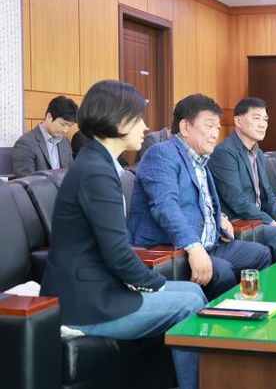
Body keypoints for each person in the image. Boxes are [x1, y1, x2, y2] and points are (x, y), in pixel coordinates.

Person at [39, 80, 206, 389]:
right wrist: (157, 284)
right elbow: (118, 254)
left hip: (99, 288)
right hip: (86, 304)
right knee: (189, 303)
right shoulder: (96, 172)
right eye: (138, 118)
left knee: (194, 293)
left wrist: (152, 284)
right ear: (117, 121)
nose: (145, 126)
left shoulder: (98, 162)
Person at [128, 94, 271, 301]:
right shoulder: (161, 154)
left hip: (210, 243)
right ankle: (218, 319)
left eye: (217, 128)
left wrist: (219, 219)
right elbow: (165, 205)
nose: (215, 134)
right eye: (209, 126)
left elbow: (200, 201)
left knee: (260, 254)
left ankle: (250, 309)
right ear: (185, 127)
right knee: (222, 271)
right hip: (173, 248)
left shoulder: (200, 158)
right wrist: (193, 246)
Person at [209, 97, 276, 261]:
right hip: (240, 221)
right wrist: (273, 223)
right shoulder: (225, 152)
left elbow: (268, 194)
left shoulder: (257, 152)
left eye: (265, 119)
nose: (263, 124)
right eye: (256, 118)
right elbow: (237, 200)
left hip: (259, 219)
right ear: (238, 121)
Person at [12, 95, 78, 177]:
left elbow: (71, 175)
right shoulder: (25, 144)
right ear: (49, 117)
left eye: (70, 126)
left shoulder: (65, 142)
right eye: (63, 125)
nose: (65, 130)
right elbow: (26, 181)